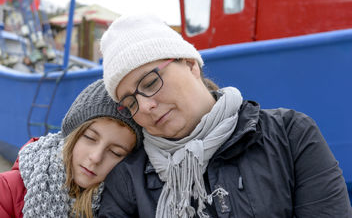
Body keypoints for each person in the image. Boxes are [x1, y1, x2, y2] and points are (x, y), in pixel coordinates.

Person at [98, 13, 352, 217]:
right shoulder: (129, 179)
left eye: (151, 83)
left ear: (190, 64)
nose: (144, 107)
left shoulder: (291, 135)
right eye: (129, 102)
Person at [0, 79, 142, 218]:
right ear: (72, 135)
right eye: (90, 138)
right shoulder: (8, 189)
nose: (96, 157)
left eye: (115, 152)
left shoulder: (128, 204)